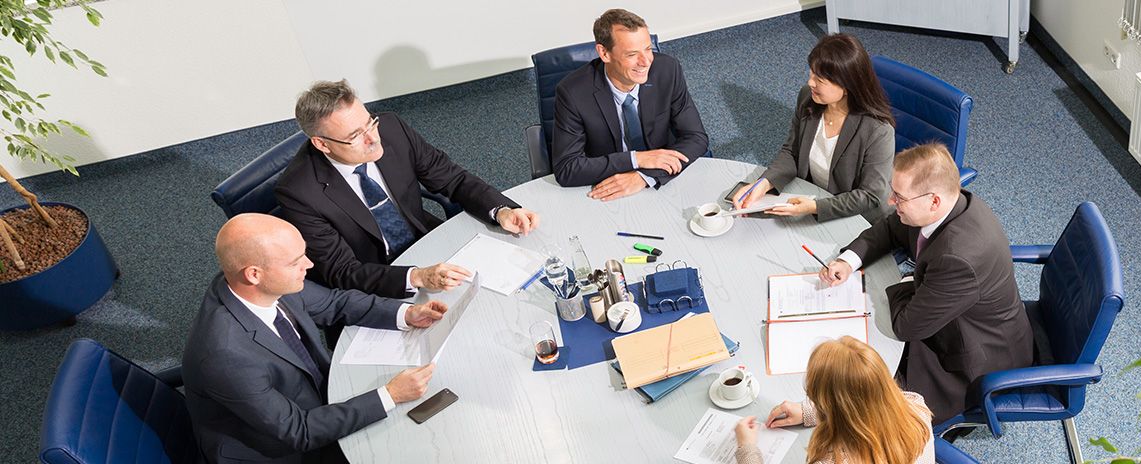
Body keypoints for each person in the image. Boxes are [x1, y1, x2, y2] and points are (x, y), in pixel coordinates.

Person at [183, 213, 443, 463]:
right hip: (283, 452)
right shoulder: (225, 355)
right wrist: (390, 395)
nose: (309, 265)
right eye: (295, 262)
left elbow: (335, 303)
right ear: (253, 274)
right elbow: (299, 431)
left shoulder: (263, 284)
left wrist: (407, 313)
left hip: (316, 401)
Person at [817, 144, 1033, 420]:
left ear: (933, 201)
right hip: (952, 314)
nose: (890, 202)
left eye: (899, 197)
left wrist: (905, 277)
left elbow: (907, 325)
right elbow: (889, 228)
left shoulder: (958, 258)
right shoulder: (950, 205)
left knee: (866, 403)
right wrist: (849, 260)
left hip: (972, 357)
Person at [276, 79, 539, 299]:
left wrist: (502, 210)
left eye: (370, 123)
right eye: (355, 136)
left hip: (426, 241)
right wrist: (417, 276)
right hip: (374, 281)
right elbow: (343, 271)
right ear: (322, 144)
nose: (372, 138)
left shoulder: (391, 128)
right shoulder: (299, 193)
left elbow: (451, 178)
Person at [730, 33, 895, 222]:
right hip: (813, 198)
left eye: (820, 79)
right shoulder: (808, 97)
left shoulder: (878, 130)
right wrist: (764, 182)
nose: (810, 83)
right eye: (811, 73)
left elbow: (870, 196)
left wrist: (816, 207)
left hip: (856, 217)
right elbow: (793, 151)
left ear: (847, 85)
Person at [550, 8, 710, 200]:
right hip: (608, 185)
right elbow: (567, 169)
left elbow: (696, 138)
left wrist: (644, 177)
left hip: (660, 179)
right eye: (632, 54)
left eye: (648, 49)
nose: (646, 61)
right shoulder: (572, 93)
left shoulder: (668, 70)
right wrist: (636, 159)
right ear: (604, 53)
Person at [733, 336, 934, 464]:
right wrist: (810, 411)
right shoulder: (916, 407)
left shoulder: (833, 460)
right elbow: (865, 406)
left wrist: (747, 449)